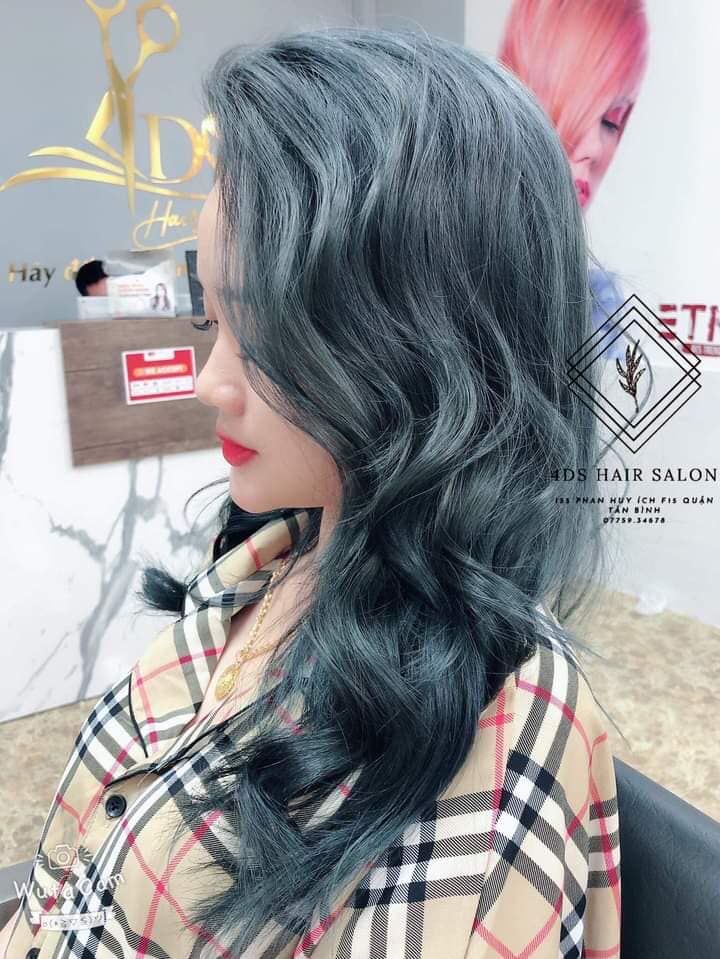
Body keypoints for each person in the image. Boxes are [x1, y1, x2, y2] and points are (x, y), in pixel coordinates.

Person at [2, 26, 622, 959]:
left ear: (423, 344)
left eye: (262, 333)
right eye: (211, 318)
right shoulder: (267, 564)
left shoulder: (499, 741)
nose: (211, 382)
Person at [498, 0, 650, 361]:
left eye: (612, 121)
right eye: (582, 106)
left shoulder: (597, 309)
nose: (595, 147)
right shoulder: (440, 273)